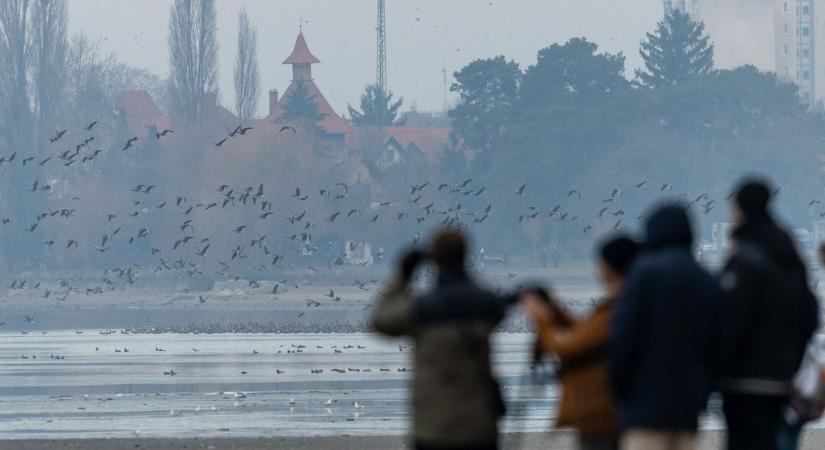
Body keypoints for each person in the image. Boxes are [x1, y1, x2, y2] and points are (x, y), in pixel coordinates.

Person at [371, 229, 515, 450]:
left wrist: (404, 275)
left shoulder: (422, 308)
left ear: (434, 259)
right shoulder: (486, 305)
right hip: (478, 426)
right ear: (465, 256)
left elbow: (380, 321)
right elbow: (502, 305)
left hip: (433, 428)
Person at [610, 203, 722, 450]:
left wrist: (620, 391)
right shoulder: (706, 280)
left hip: (643, 407)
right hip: (687, 409)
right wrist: (704, 392)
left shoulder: (643, 275)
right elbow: (719, 347)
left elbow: (623, 339)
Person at [718, 178, 819, 450]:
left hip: (743, 381)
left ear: (740, 209)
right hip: (782, 379)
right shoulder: (790, 255)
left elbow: (730, 321)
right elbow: (810, 313)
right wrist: (792, 359)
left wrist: (719, 366)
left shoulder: (743, 259)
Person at [522, 235, 640, 450]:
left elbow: (567, 348)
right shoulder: (625, 304)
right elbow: (586, 333)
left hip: (600, 417)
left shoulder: (616, 310)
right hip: (609, 414)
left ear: (611, 268)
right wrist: (557, 312)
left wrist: (542, 320)